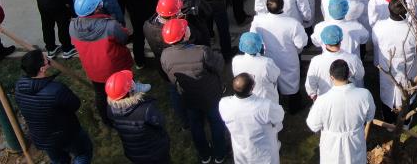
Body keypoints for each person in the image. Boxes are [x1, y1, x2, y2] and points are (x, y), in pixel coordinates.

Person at [160, 18, 228, 163]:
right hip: (210, 96)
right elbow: (218, 65)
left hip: (188, 97)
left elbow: (171, 77)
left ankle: (204, 155)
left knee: (196, 125)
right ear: (184, 35)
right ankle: (220, 154)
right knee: (216, 122)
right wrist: (218, 56)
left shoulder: (165, 55)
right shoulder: (201, 51)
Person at [15, 49, 93, 164]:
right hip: (67, 134)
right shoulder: (56, 89)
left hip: (43, 138)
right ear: (42, 69)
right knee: (83, 154)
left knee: (58, 161)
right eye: (45, 58)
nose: (48, 59)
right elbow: (75, 104)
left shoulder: (19, 87)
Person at [70, 0, 133, 124]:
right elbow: (123, 38)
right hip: (114, 68)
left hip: (93, 69)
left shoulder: (73, 26)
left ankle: (107, 120)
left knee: (100, 94)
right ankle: (127, 119)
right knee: (123, 93)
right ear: (96, 9)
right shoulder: (110, 25)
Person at [306, 59, 376, 164]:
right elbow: (370, 116)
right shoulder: (365, 95)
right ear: (349, 74)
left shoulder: (322, 100)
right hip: (355, 144)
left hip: (331, 148)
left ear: (331, 77)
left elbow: (313, 125)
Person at [250, 0, 308, 114]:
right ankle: (294, 107)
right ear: (282, 6)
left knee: (272, 82)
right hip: (288, 58)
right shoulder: (293, 23)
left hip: (268, 57)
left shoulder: (258, 21)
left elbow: (253, 38)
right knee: (291, 83)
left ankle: (278, 104)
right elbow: (301, 43)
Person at [105, 70, 169, 164]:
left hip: (133, 153)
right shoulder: (146, 109)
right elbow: (160, 122)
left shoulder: (110, 109)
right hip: (155, 151)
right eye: (131, 83)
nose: (133, 83)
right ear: (130, 91)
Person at [219, 73, 284, 164]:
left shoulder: (224, 103)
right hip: (264, 155)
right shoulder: (265, 106)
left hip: (241, 152)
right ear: (252, 87)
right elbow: (279, 115)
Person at [371, 0, 417, 123]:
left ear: (388, 9)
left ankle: (389, 120)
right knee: (407, 95)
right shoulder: (413, 29)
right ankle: (406, 122)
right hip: (408, 69)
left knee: (388, 95)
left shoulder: (379, 27)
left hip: (388, 68)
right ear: (406, 10)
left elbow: (375, 43)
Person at [307, 24, 366, 100]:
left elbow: (310, 84)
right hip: (348, 98)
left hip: (325, 100)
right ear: (341, 39)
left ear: (324, 42)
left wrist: (314, 96)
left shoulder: (315, 61)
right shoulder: (353, 59)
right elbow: (360, 76)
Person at [232, 32, 281, 104]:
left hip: (246, 98)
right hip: (265, 98)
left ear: (241, 45)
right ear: (259, 45)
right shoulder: (267, 62)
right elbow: (275, 76)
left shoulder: (236, 60)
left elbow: (236, 76)